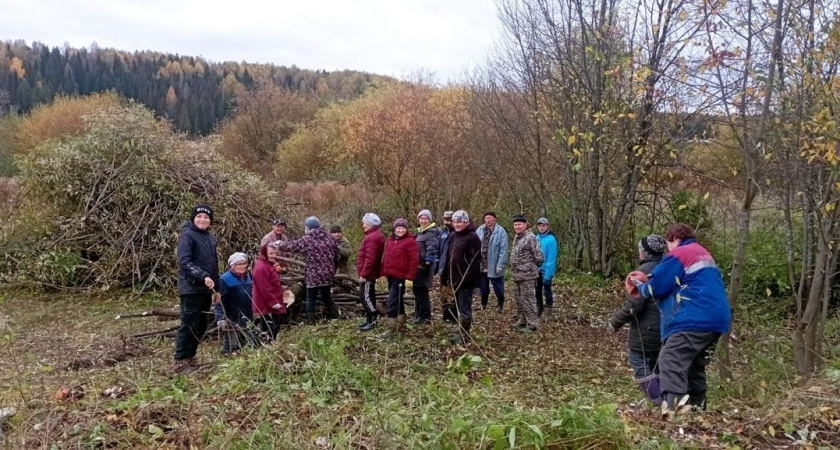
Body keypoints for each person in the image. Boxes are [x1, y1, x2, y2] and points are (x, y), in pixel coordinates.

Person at [631, 224, 731, 415]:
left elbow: (656, 288)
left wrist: (640, 287)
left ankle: (674, 413)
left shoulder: (678, 254)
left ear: (674, 239)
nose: (668, 247)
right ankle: (697, 412)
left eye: (668, 242)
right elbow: (676, 277)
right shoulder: (702, 253)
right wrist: (649, 278)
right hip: (717, 321)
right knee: (694, 367)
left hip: (693, 319)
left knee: (670, 360)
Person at [608, 235, 667, 406]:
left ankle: (656, 400)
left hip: (646, 328)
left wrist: (615, 322)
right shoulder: (668, 268)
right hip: (666, 326)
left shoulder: (641, 274)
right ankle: (663, 398)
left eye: (640, 249)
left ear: (644, 252)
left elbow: (634, 305)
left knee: (638, 360)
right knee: (656, 362)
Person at [174, 203, 219, 375]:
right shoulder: (187, 236)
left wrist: (218, 289)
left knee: (200, 325)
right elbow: (184, 262)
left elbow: (214, 265)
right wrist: (202, 276)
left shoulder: (210, 238)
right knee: (189, 323)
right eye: (199, 216)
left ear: (210, 221)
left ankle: (190, 357)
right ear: (193, 218)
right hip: (191, 287)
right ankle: (180, 361)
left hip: (206, 289)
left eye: (206, 217)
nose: (202, 219)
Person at [440, 210, 482, 344]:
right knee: (457, 305)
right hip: (454, 278)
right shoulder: (453, 236)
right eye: (455, 222)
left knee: (464, 307)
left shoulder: (472, 237)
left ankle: (464, 335)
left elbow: (475, 260)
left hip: (465, 281)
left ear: (467, 222)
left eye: (460, 222)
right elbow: (448, 257)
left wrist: (466, 278)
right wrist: (445, 275)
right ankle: (460, 329)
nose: (457, 224)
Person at [379, 219, 419, 338]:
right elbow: (385, 258)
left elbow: (414, 260)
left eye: (403, 228)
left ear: (406, 229)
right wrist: (382, 273)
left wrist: (409, 277)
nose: (400, 230)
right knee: (398, 300)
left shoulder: (410, 242)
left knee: (392, 301)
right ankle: (400, 321)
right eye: (398, 228)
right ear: (394, 229)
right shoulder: (390, 240)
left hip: (401, 277)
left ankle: (392, 328)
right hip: (391, 276)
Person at [214, 252, 257, 355]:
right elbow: (219, 300)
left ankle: (241, 356)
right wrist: (220, 318)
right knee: (231, 343)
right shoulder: (225, 279)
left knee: (245, 341)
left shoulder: (248, 277)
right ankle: (227, 356)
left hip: (247, 314)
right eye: (239, 264)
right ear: (231, 266)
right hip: (232, 316)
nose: (242, 266)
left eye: (244, 263)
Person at [510, 215, 544, 333]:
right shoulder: (517, 237)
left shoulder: (531, 237)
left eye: (519, 224)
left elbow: (539, 257)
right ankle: (522, 320)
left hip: (528, 276)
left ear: (525, 225)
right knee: (519, 300)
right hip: (517, 275)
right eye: (515, 225)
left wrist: (528, 267)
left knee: (528, 300)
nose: (517, 227)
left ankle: (532, 325)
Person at [356, 213, 386, 331]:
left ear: (370, 224)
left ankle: (372, 320)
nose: (363, 225)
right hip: (369, 273)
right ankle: (369, 319)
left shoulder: (372, 238)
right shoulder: (373, 235)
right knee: (368, 295)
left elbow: (371, 259)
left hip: (368, 274)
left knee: (365, 296)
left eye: (364, 223)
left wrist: (364, 274)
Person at [476, 211, 509, 312]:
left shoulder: (501, 232)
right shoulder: (480, 230)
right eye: (486, 218)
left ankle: (500, 304)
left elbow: (503, 250)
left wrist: (501, 265)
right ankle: (483, 304)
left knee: (498, 287)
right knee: (483, 287)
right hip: (482, 264)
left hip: (494, 264)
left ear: (495, 219)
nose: (488, 220)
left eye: (490, 218)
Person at [252, 244, 286, 341]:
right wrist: (273, 302)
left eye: (275, 253)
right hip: (266, 304)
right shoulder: (262, 268)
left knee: (274, 325)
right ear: (264, 253)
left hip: (271, 301)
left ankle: (270, 343)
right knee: (268, 327)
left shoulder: (268, 264)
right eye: (271, 253)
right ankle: (264, 345)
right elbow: (265, 288)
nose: (273, 256)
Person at [412, 209, 440, 324]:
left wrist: (427, 264)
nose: (423, 221)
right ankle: (418, 315)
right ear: (418, 219)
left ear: (429, 220)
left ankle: (426, 316)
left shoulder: (430, 233)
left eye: (425, 219)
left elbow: (432, 249)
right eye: (421, 218)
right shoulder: (420, 232)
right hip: (418, 265)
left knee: (422, 291)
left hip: (425, 266)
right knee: (417, 290)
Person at [535, 217, 558, 317]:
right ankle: (538, 309)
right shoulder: (536, 238)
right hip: (536, 270)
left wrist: (548, 275)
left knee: (547, 290)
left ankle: (548, 311)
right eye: (539, 226)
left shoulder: (551, 240)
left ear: (547, 226)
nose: (541, 228)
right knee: (537, 290)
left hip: (546, 270)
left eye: (543, 226)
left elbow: (551, 259)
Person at [437, 211, 458, 323]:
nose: (448, 222)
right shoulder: (442, 233)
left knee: (452, 293)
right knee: (444, 293)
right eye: (446, 220)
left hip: (454, 269)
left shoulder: (457, 233)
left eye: (450, 220)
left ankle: (454, 317)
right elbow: (439, 249)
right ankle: (446, 316)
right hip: (443, 267)